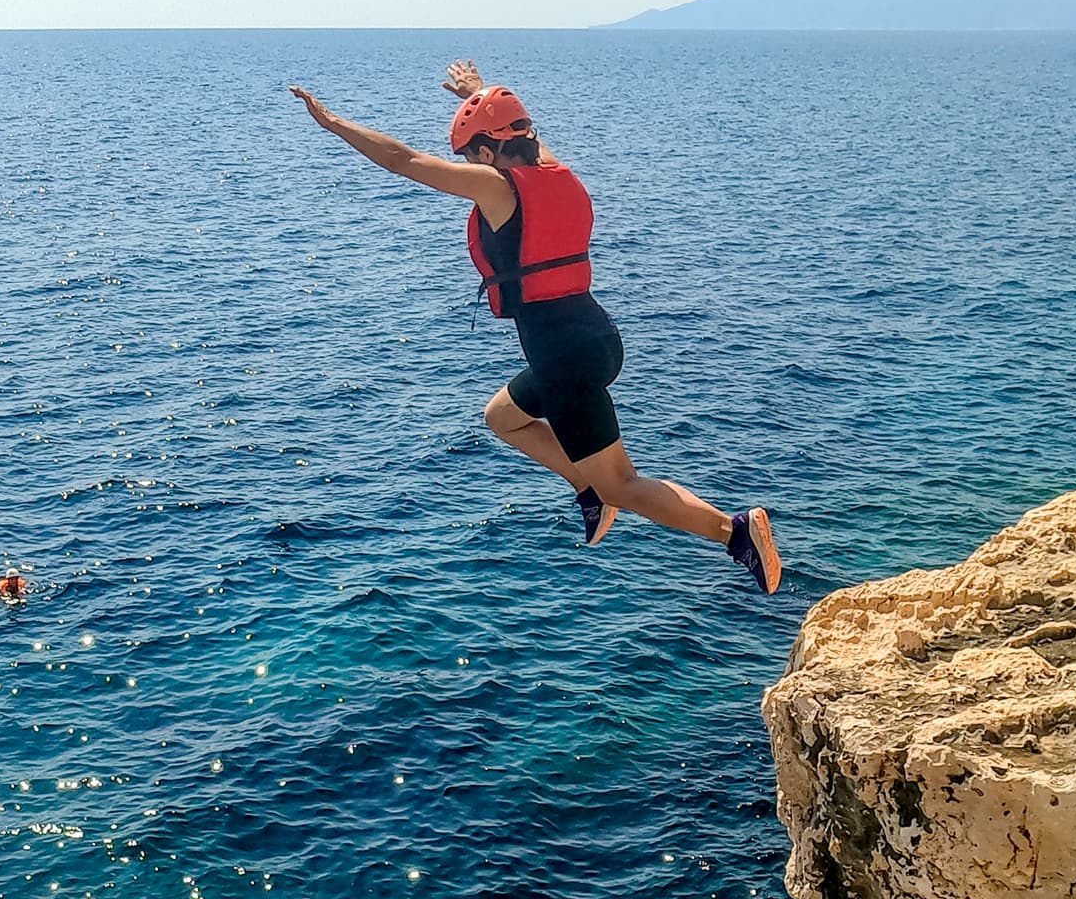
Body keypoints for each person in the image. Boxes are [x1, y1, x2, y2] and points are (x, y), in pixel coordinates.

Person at [288, 62, 782, 594]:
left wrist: (333, 122)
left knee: (624, 485)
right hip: (594, 337)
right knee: (502, 417)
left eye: (470, 155)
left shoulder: (499, 189)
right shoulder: (556, 173)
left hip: (562, 357)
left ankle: (733, 533)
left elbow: (402, 159)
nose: (468, 166)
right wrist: (480, 95)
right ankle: (586, 490)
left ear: (483, 153)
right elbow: (516, 132)